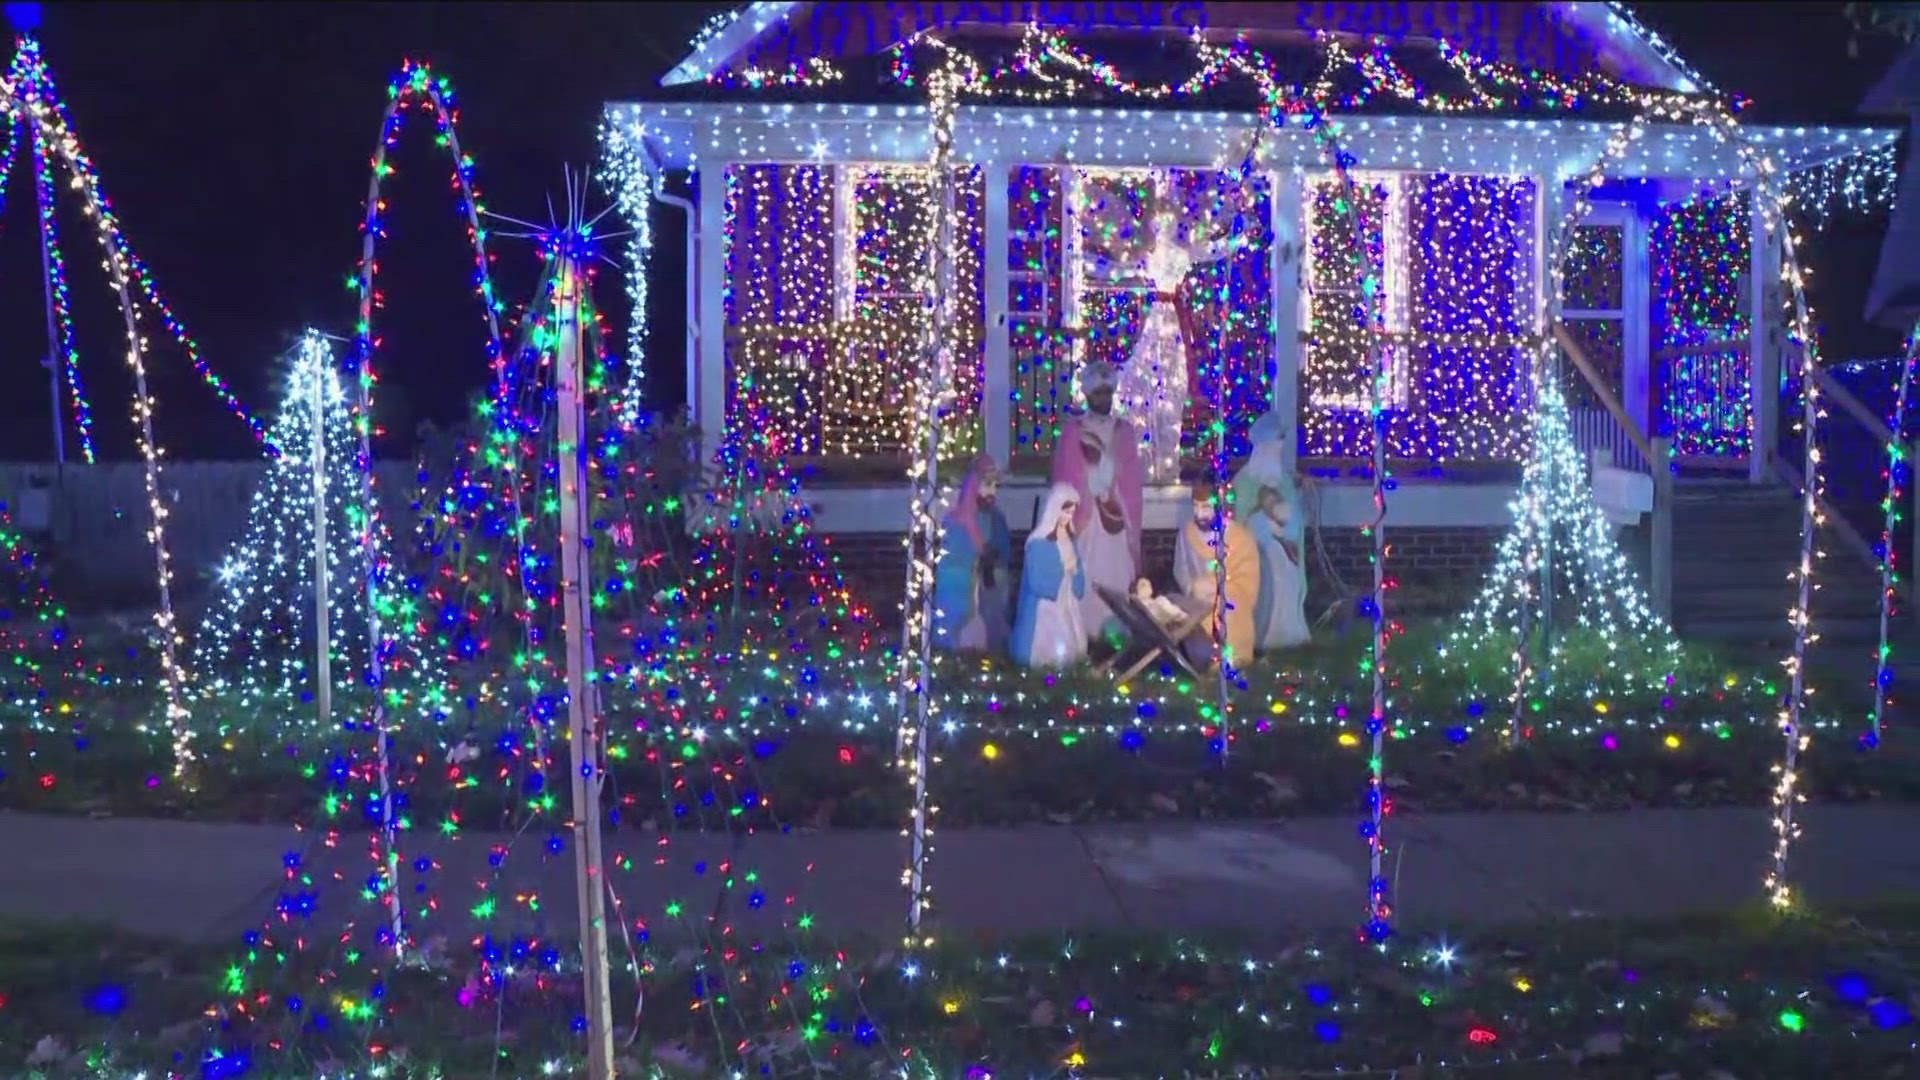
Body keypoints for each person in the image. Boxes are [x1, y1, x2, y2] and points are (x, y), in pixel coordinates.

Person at [1050, 358, 1145, 643]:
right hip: (1085, 516)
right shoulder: (1073, 431)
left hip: (1114, 512)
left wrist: (1112, 489)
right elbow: (1066, 475)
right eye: (1098, 393)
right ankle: (1083, 633)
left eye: (1108, 393)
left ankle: (1115, 632)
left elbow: (1130, 474)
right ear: (1089, 395)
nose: (1104, 399)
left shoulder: (1124, 431)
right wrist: (1088, 488)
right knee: (1085, 568)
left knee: (1115, 569)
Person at [1233, 410, 1311, 650]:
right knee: (1266, 590)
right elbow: (1241, 517)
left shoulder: (1282, 479)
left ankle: (1289, 635)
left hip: (1285, 549)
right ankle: (1261, 635)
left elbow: (1294, 515)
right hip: (1260, 551)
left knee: (1286, 587)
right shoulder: (1245, 480)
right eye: (1274, 445)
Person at [1174, 476, 1259, 670]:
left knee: (1226, 613)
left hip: (1229, 604)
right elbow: (1181, 569)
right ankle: (1199, 660)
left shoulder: (1240, 539)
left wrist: (1217, 588)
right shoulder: (1186, 533)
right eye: (1195, 507)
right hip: (1195, 602)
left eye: (1205, 507)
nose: (1199, 514)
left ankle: (1228, 662)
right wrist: (1192, 587)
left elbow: (1247, 581)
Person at [934, 453, 1013, 653]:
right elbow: (952, 559)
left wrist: (992, 563)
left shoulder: (995, 519)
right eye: (987, 485)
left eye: (995, 486)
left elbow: (1001, 553)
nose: (991, 492)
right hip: (961, 586)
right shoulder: (955, 521)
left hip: (987, 586)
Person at [1011, 482, 1088, 668]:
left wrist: (1075, 577)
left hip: (1067, 600)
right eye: (1065, 511)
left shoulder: (1070, 539)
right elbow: (1037, 579)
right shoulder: (1039, 541)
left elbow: (1077, 566)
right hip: (1046, 606)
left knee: (1073, 640)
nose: (1067, 517)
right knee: (1053, 641)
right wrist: (1063, 575)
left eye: (1071, 512)